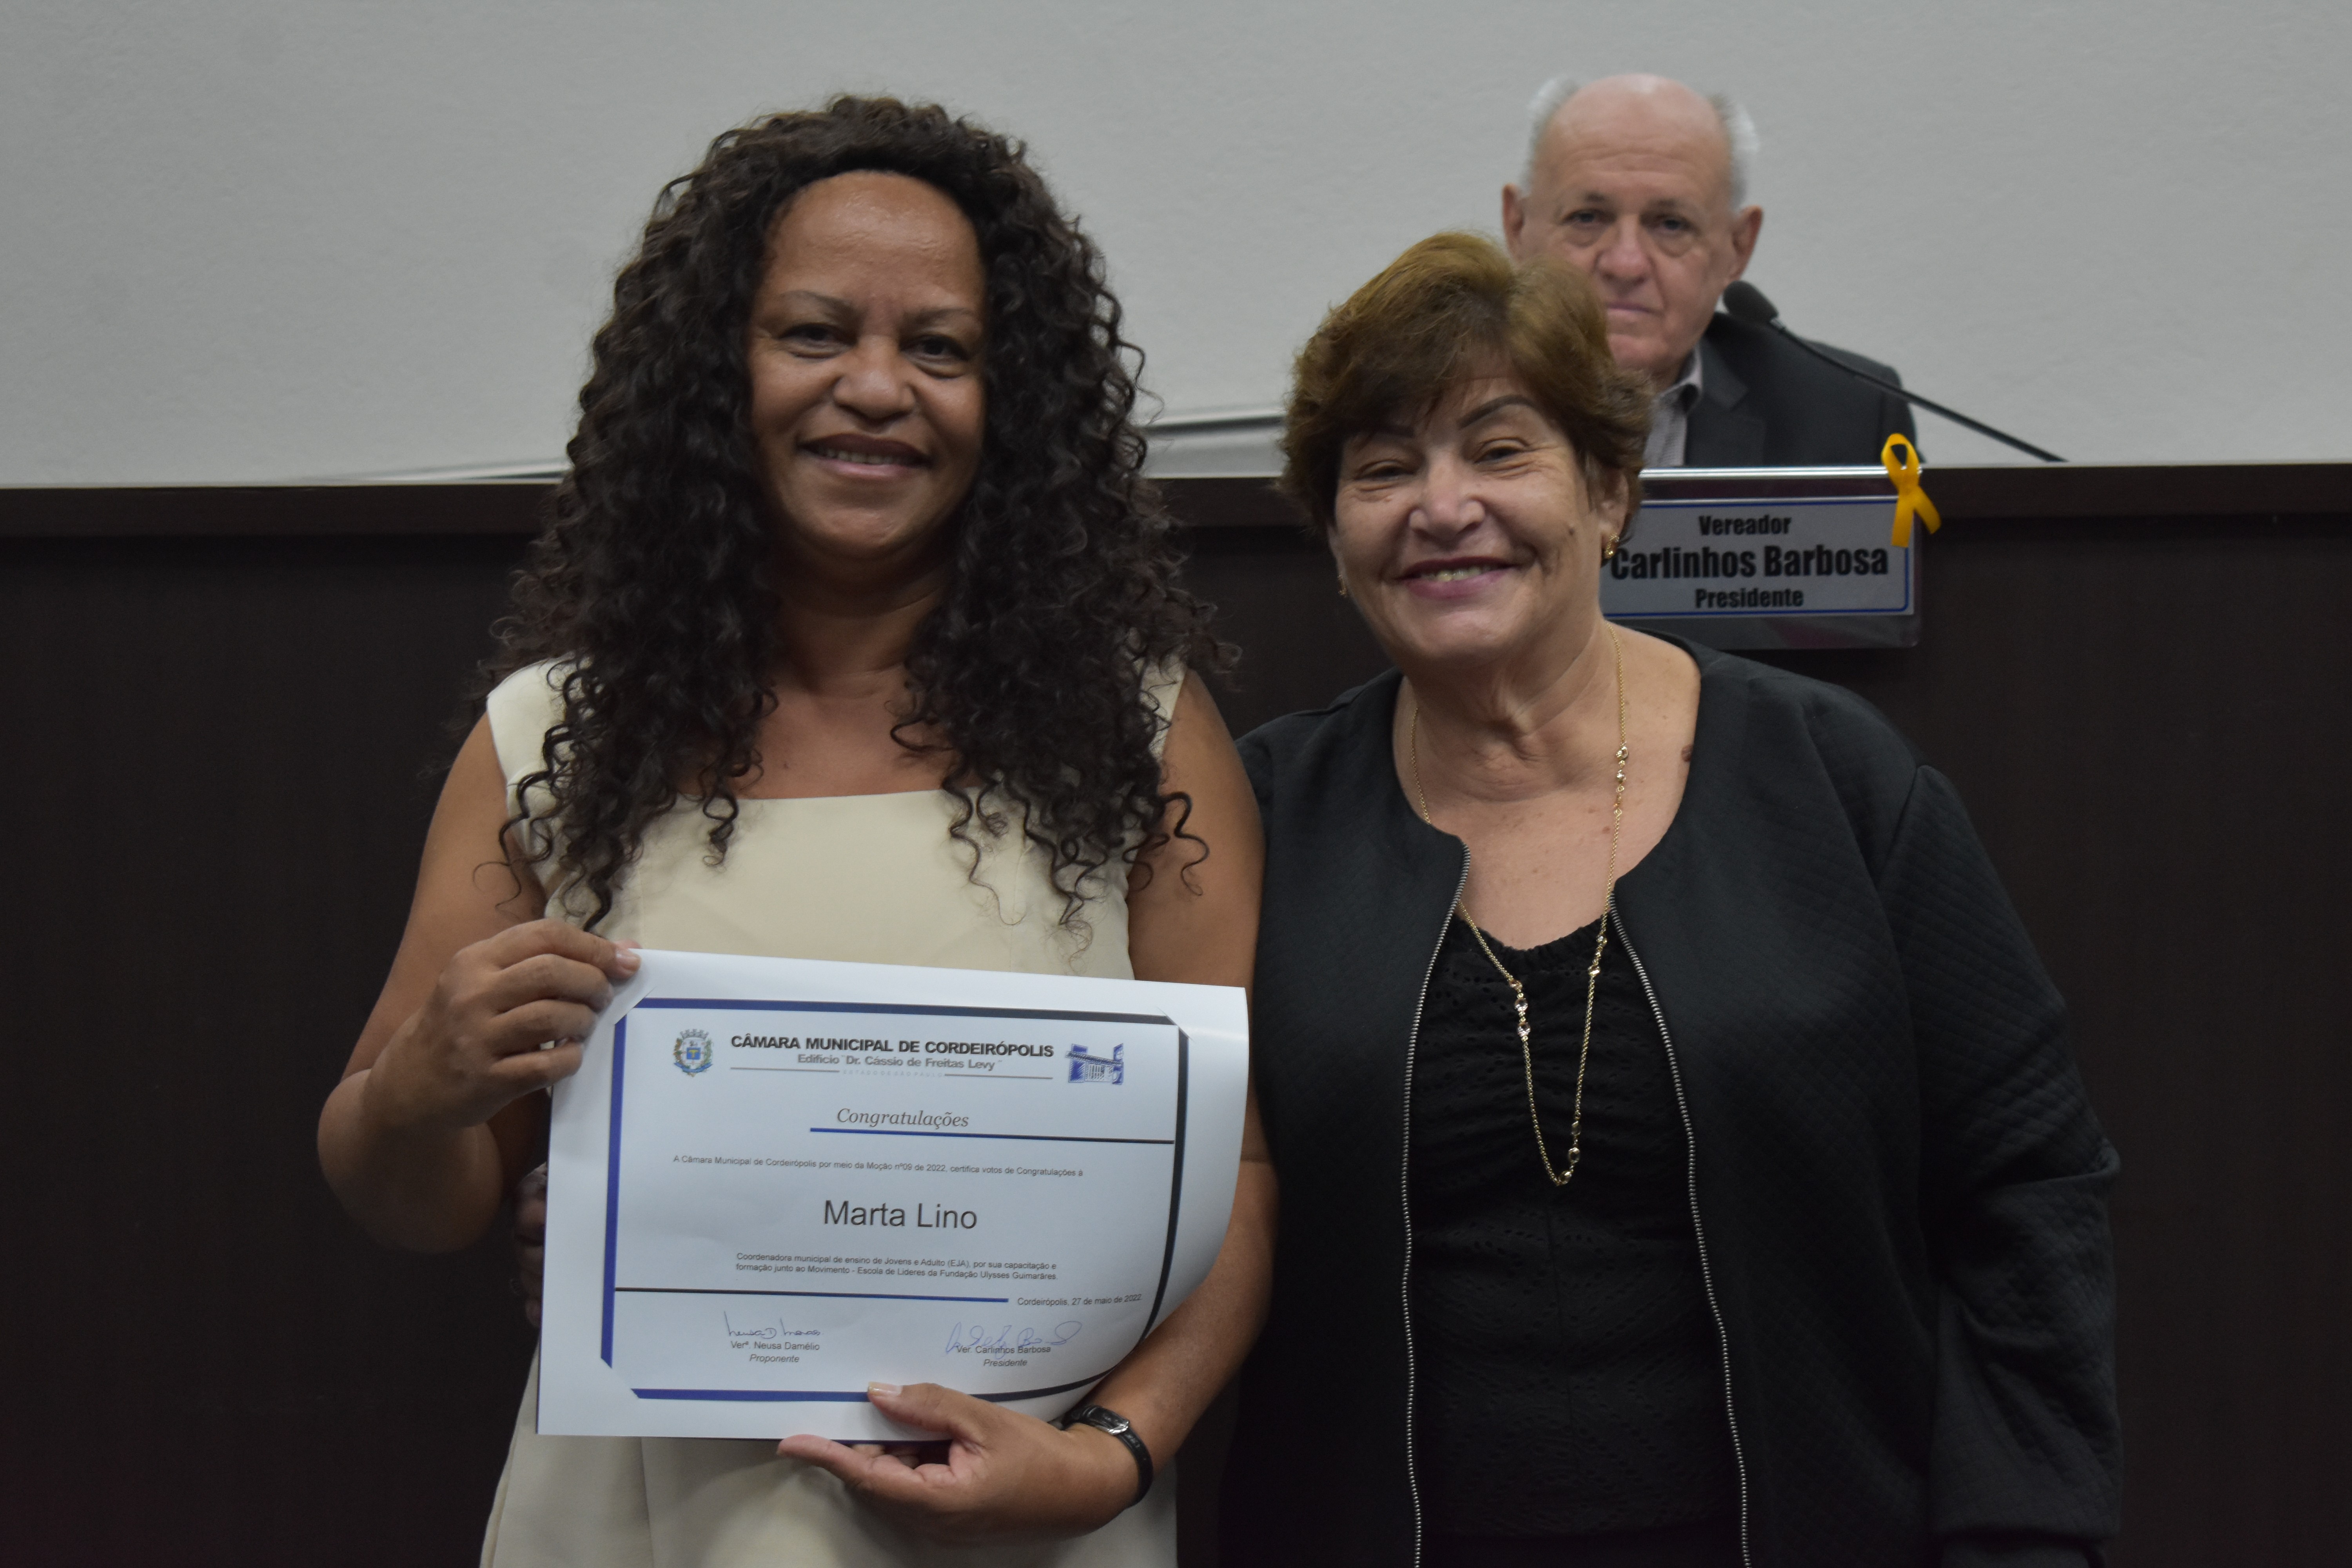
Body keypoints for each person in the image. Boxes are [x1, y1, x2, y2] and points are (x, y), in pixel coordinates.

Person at [315, 97, 1272, 1567]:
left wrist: (1107, 1457)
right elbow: (410, 1197)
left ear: (1009, 404)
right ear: (717, 373)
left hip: (1022, 1520)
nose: (875, 388)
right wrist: (416, 1092)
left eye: (939, 349)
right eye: (814, 333)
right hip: (643, 1521)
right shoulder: (555, 734)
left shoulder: (1134, 733)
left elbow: (1233, 1172)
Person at [1219, 231, 2118, 1566]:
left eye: (1501, 449)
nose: (1442, 506)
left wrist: (2026, 1534)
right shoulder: (1260, 822)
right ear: (1337, 539)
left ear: (1611, 493)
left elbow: (2029, 1180)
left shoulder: (1831, 780)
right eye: (1384, 468)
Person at [1504, 73, 1917, 468]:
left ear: (1738, 247)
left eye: (1671, 225)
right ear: (1517, 227)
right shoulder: (1461, 386)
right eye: (1587, 218)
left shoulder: (1849, 415)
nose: (1626, 265)